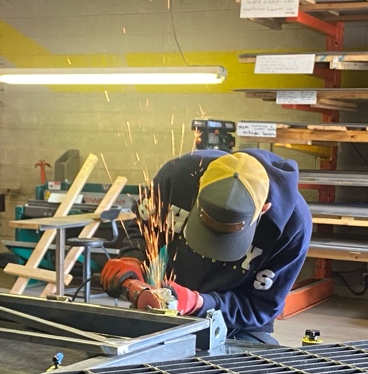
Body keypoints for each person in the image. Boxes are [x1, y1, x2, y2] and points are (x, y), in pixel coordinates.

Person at [100, 148, 312, 346]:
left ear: (263, 209)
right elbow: (143, 228)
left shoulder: (292, 227)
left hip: (236, 324)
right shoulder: (177, 178)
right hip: (171, 303)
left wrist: (199, 303)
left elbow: (260, 307)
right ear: (199, 187)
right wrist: (133, 259)